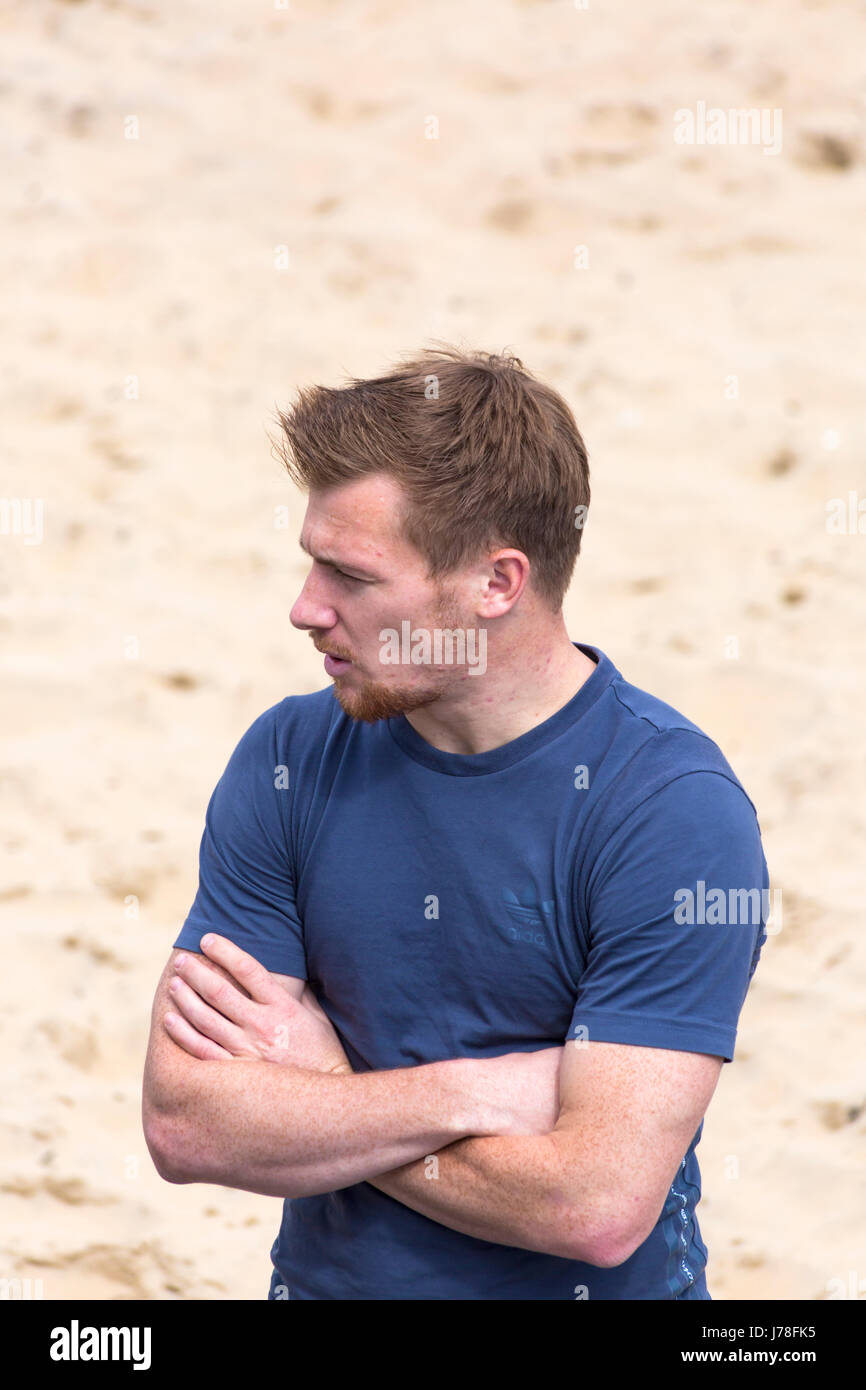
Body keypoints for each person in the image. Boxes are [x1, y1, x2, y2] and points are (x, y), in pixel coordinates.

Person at [142, 345, 768, 1300]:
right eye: (311, 561)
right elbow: (188, 1124)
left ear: (496, 584)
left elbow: (594, 1208)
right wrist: (477, 1093)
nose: (305, 608)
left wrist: (328, 1094)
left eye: (350, 575)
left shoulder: (672, 815)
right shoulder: (287, 759)